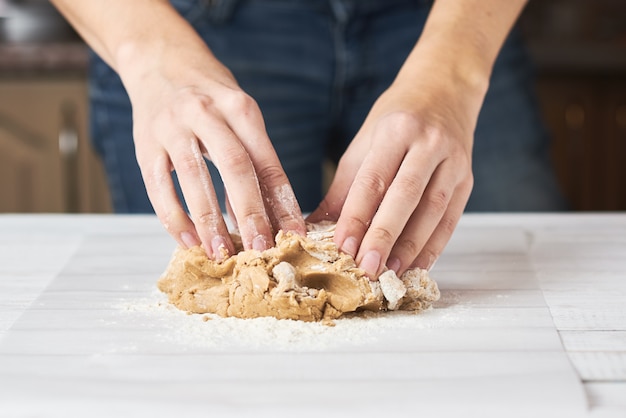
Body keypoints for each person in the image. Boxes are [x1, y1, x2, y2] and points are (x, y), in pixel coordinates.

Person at [51, 0, 567, 278]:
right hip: (186, 22)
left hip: (449, 18)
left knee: (534, 280)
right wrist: (148, 53)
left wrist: (454, 73)